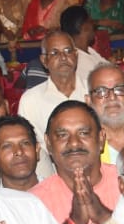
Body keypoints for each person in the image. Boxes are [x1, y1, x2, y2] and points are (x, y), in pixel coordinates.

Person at [18, 29, 88, 181]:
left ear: (76, 56)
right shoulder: (30, 100)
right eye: (55, 53)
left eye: (68, 51)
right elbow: (32, 148)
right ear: (44, 60)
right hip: (50, 176)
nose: (63, 57)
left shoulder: (93, 91)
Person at [0, 114, 40, 192]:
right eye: (7, 146)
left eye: (25, 143)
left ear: (37, 149)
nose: (19, 152)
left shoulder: (58, 191)